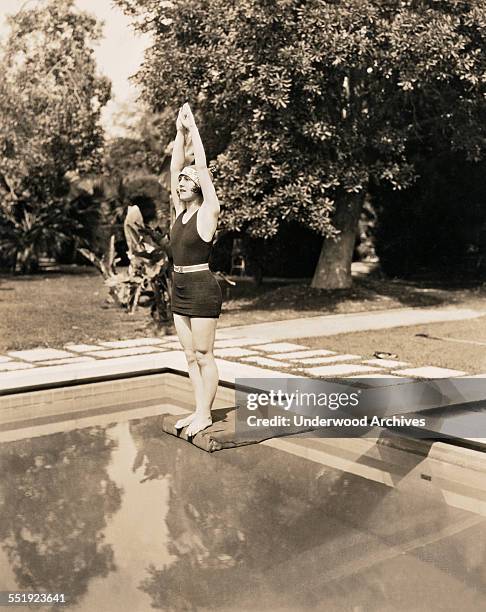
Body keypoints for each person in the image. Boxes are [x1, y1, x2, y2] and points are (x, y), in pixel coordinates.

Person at [169, 102, 222, 437]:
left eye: (188, 180)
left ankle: (206, 414)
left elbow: (199, 167)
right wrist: (178, 133)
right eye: (181, 181)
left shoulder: (208, 211)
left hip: (202, 287)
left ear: (200, 186)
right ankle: (198, 409)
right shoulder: (180, 212)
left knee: (204, 355)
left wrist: (194, 130)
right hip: (180, 288)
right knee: (189, 356)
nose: (182, 182)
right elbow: (175, 169)